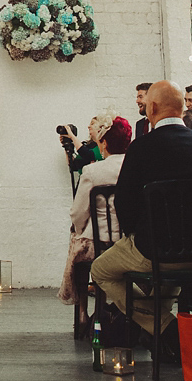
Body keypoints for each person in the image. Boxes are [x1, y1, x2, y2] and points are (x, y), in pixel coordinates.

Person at [90, 81, 192, 357]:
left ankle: (167, 329)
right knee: (165, 280)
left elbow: (124, 203)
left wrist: (135, 236)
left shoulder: (142, 148)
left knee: (100, 270)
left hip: (156, 249)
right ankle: (172, 337)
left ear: (151, 107)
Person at [59, 117, 132, 310]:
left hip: (97, 243)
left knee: (76, 240)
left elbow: (77, 212)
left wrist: (81, 231)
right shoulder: (134, 169)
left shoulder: (92, 171)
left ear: (105, 143)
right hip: (127, 241)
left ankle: (82, 310)